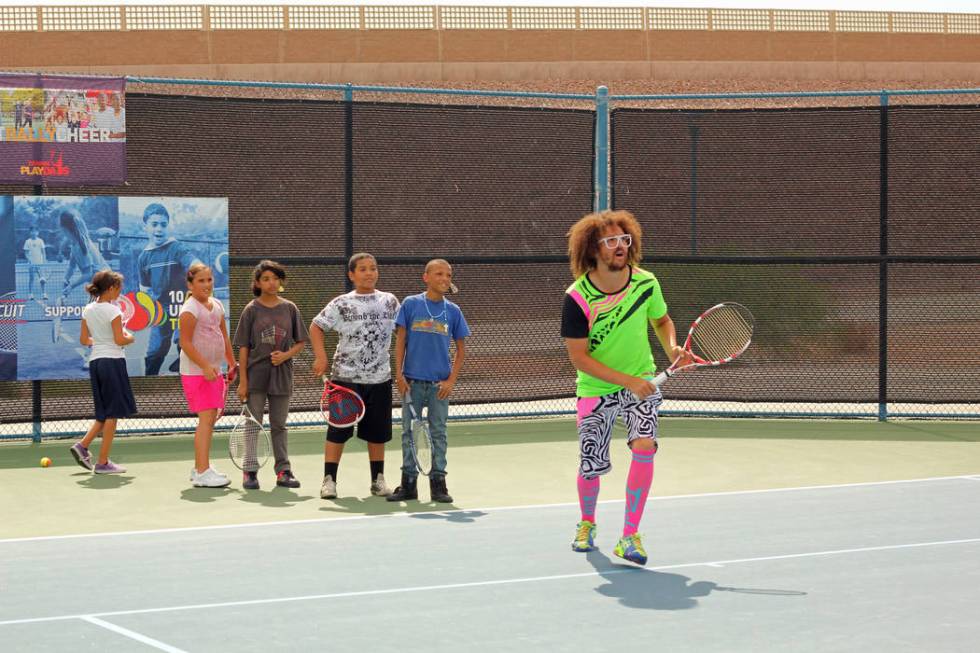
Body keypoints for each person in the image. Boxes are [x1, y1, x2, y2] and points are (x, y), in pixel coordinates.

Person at [561, 210, 692, 566]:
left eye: (624, 239)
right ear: (593, 249)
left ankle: (630, 536)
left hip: (642, 382)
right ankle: (587, 523)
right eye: (610, 241)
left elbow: (661, 320)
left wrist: (672, 348)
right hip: (595, 388)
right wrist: (628, 382)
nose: (619, 247)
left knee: (645, 446)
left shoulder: (646, 283)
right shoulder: (577, 297)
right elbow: (580, 357)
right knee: (591, 464)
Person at [310, 253, 400, 500]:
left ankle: (378, 480)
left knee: (378, 433)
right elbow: (316, 326)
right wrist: (321, 357)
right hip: (346, 380)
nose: (369, 273)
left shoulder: (389, 301)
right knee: (338, 431)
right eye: (362, 269)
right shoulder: (341, 303)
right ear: (352, 275)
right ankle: (329, 480)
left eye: (373, 268)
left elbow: (402, 331)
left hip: (380, 379)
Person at [388, 259, 469, 504]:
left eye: (448, 274)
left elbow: (462, 350)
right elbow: (400, 341)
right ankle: (408, 485)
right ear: (426, 277)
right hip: (411, 384)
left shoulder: (453, 311)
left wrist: (450, 381)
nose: (444, 278)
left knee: (438, 433)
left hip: (439, 387)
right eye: (439, 274)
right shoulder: (411, 304)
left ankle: (438, 484)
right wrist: (399, 375)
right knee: (408, 434)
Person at [233, 260, 308, 490]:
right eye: (266, 279)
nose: (271, 283)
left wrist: (285, 356)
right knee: (253, 424)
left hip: (282, 376)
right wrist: (243, 381)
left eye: (275, 278)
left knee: (279, 425)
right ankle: (250, 471)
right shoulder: (251, 310)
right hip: (255, 376)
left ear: (281, 281)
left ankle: (283, 471)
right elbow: (243, 348)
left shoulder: (290, 308)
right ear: (257, 282)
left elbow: (301, 342)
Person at [68, 270, 137, 474]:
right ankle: (103, 462)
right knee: (112, 414)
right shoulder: (113, 311)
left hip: (96, 363)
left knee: (105, 413)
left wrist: (100, 340)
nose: (120, 292)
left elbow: (84, 340)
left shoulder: (88, 309)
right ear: (110, 288)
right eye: (118, 289)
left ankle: (82, 446)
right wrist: (130, 337)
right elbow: (120, 340)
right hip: (112, 362)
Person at [179, 262, 237, 488]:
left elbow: (223, 336)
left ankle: (200, 467)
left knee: (210, 419)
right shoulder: (189, 309)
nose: (206, 284)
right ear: (190, 285)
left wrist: (231, 363)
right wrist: (204, 365)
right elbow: (185, 343)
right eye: (201, 281)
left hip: (214, 371)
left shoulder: (218, 305)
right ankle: (202, 472)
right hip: (196, 372)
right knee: (206, 419)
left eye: (209, 280)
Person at [137, 203, 201, 375]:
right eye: (154, 224)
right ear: (145, 227)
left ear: (168, 226)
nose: (159, 229)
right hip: (161, 310)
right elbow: (145, 290)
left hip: (183, 305)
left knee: (184, 342)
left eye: (163, 224)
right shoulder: (143, 258)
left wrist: (199, 269)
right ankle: (150, 382)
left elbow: (192, 262)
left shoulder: (176, 248)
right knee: (155, 352)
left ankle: (187, 372)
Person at [58, 208, 109, 299]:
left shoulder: (80, 246)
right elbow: (71, 266)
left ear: (65, 229)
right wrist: (65, 279)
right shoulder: (75, 245)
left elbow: (87, 274)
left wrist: (71, 287)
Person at [23, 226, 48, 301]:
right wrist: (29, 260)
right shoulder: (27, 242)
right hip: (31, 265)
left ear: (38, 232)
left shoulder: (40, 241)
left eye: (35, 231)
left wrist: (44, 261)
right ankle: (30, 294)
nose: (34, 233)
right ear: (30, 232)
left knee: (42, 280)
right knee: (31, 279)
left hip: (40, 264)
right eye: (32, 231)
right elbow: (26, 253)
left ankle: (44, 294)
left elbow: (43, 252)